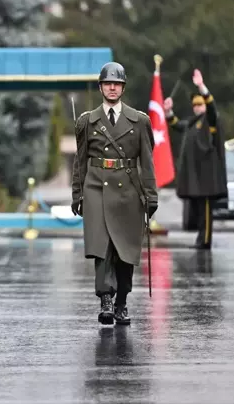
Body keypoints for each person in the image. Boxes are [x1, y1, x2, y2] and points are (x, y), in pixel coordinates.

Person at [71, 61, 159, 326]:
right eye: (107, 83)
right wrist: (77, 193)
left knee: (125, 249)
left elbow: (147, 160)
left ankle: (122, 301)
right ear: (100, 87)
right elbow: (80, 160)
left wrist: (151, 195)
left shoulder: (139, 120)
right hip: (96, 187)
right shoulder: (87, 121)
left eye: (116, 84)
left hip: (128, 190)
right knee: (102, 247)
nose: (112, 88)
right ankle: (106, 299)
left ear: (122, 88)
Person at [164, 69, 227, 249]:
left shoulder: (210, 120)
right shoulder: (192, 123)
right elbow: (177, 124)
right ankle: (201, 238)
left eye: (200, 104)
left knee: (206, 211)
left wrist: (201, 86)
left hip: (207, 177)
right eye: (195, 105)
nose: (197, 107)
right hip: (198, 177)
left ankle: (205, 240)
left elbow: (213, 108)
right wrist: (168, 112)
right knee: (199, 211)